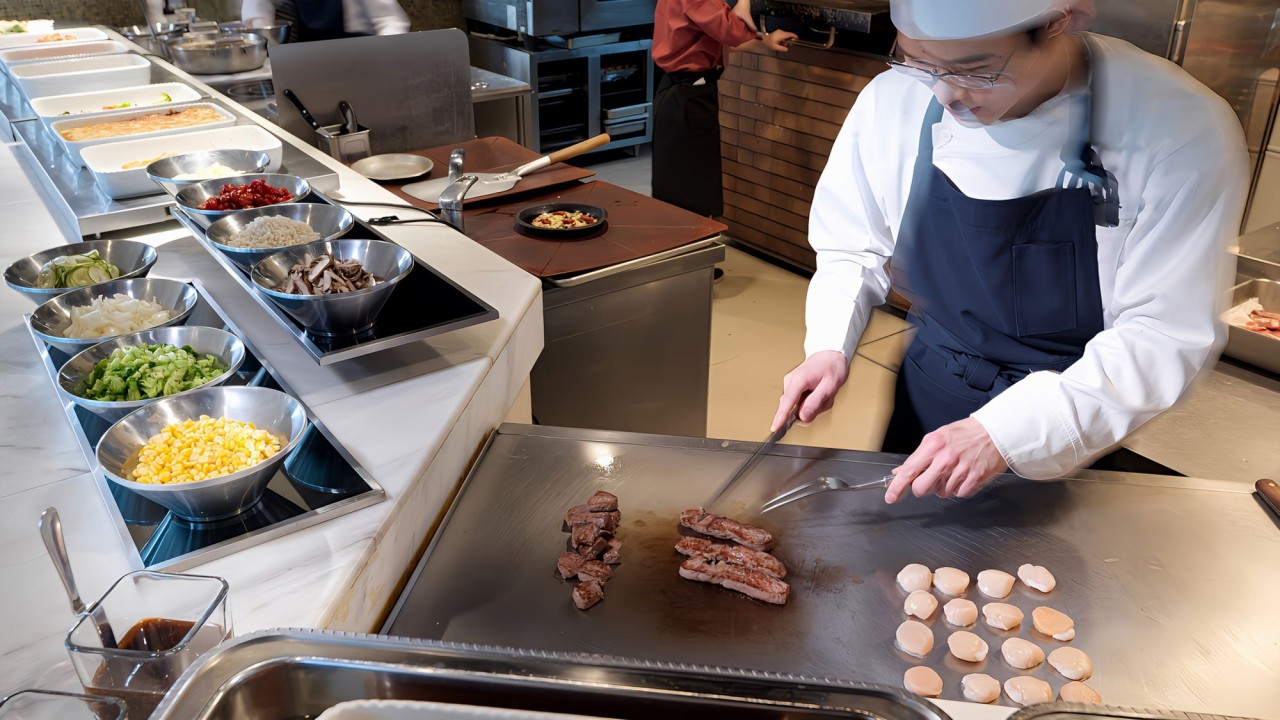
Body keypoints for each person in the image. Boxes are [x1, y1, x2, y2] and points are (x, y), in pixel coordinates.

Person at [771, 0, 1247, 503]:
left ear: (1062, 22)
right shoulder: (894, 100)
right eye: (919, 62)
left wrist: (1006, 433)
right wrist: (828, 343)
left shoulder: (1180, 128)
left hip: (1069, 415)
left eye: (977, 71)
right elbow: (850, 243)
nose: (945, 93)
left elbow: (1163, 331)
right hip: (932, 383)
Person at [651, 0, 796, 218]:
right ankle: (692, 244)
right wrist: (759, 30)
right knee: (688, 190)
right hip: (687, 94)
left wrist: (755, 27)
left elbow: (724, 29)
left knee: (683, 184)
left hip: (680, 90)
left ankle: (688, 241)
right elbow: (731, 32)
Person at [241, 0, 408, 41]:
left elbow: (390, 20)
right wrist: (263, 35)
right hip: (308, 54)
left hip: (359, 53)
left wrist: (385, 57)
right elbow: (259, 4)